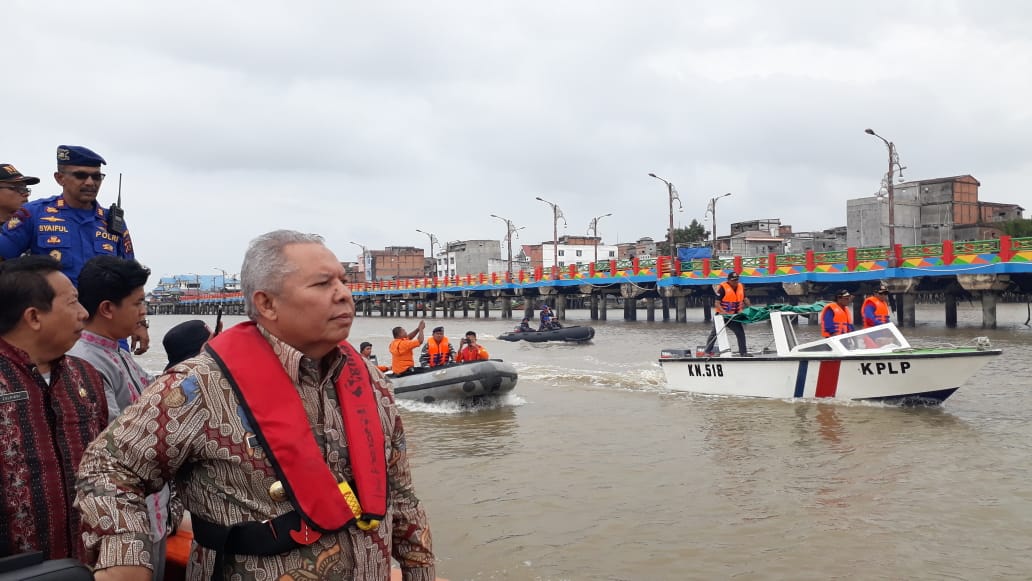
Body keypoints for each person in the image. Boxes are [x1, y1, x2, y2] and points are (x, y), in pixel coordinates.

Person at [75, 230, 436, 580]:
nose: (344, 294)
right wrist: (125, 554)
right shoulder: (199, 385)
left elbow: (402, 498)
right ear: (266, 303)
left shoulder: (369, 381)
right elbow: (106, 467)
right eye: (323, 284)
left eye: (343, 280)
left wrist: (421, 572)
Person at [66, 256, 171, 580]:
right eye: (137, 303)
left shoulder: (117, 352)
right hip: (125, 520)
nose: (144, 312)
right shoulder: (85, 362)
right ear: (108, 308)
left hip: (151, 512)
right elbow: (117, 441)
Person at [0, 256, 107, 562]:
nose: (83, 313)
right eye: (72, 302)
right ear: (34, 317)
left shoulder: (86, 375)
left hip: (87, 566)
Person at [0, 146, 150, 355]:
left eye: (96, 177)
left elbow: (132, 279)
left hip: (108, 333)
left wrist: (140, 322)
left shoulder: (113, 222)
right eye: (80, 175)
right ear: (59, 178)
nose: (90, 182)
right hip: (56, 333)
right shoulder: (34, 214)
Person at [704, 271, 750, 356]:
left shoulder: (740, 286)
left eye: (737, 280)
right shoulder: (722, 288)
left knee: (740, 333)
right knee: (715, 333)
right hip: (721, 316)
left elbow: (745, 299)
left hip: (734, 316)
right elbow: (717, 303)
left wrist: (750, 308)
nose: (735, 282)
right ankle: (707, 352)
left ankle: (743, 352)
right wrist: (723, 312)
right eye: (733, 280)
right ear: (728, 280)